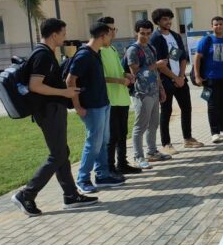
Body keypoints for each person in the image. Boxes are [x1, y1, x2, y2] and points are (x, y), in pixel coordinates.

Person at [10, 18, 98, 216]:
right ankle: (26, 194)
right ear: (54, 34)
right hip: (48, 110)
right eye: (63, 34)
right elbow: (35, 85)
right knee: (57, 155)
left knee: (61, 152)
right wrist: (64, 93)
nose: (65, 38)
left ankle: (71, 195)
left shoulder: (45, 53)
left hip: (51, 109)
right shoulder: (43, 55)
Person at [67, 21, 125, 193]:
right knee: (93, 143)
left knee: (103, 141)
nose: (111, 38)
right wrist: (77, 106)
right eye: (110, 35)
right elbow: (70, 80)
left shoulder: (96, 52)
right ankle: (82, 179)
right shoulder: (84, 55)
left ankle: (102, 175)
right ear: (102, 36)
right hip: (92, 106)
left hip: (103, 104)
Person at [150, 8, 203, 154]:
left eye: (169, 19)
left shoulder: (175, 36)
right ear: (158, 21)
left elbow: (182, 57)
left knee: (186, 108)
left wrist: (180, 76)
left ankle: (188, 138)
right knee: (166, 111)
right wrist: (174, 78)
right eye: (165, 19)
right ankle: (166, 144)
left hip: (180, 78)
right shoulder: (155, 38)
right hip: (165, 80)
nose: (168, 22)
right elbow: (160, 64)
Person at [98, 17, 140, 176]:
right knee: (112, 136)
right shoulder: (98, 51)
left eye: (114, 29)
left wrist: (126, 75)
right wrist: (119, 80)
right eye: (111, 29)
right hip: (110, 100)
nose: (113, 32)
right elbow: (99, 77)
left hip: (122, 98)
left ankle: (122, 163)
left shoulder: (113, 49)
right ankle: (110, 168)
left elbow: (118, 70)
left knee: (122, 134)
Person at [126, 19, 169, 168]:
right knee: (140, 126)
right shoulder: (133, 50)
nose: (145, 36)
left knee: (154, 124)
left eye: (148, 33)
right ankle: (138, 157)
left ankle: (152, 152)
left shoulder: (151, 47)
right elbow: (136, 72)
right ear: (136, 33)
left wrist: (161, 88)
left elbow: (155, 72)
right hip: (141, 93)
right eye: (142, 33)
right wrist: (156, 65)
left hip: (153, 91)